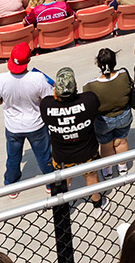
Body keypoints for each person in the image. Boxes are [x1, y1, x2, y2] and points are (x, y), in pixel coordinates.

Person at [0, 42, 54, 192]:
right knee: (44, 157)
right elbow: (48, 99)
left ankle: (11, 184)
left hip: (13, 127)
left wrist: (7, 98)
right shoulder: (38, 78)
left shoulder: (1, 79)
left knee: (13, 158)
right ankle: (51, 182)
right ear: (29, 60)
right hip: (36, 125)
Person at [41, 67, 105, 208]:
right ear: (75, 86)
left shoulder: (46, 105)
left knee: (63, 180)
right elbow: (97, 107)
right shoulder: (89, 100)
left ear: (55, 90)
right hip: (87, 151)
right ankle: (98, 205)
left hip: (62, 155)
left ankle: (63, 209)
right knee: (91, 177)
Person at [85, 48, 135, 173]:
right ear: (114, 62)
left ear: (98, 64)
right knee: (121, 142)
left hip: (103, 121)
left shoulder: (90, 86)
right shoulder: (124, 75)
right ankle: (122, 167)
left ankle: (107, 170)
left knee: (106, 145)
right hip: (124, 115)